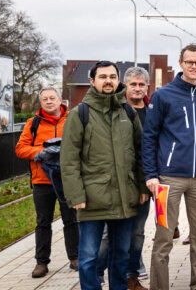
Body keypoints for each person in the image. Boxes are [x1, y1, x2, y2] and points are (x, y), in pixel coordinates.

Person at [143, 45, 196, 290]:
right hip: (166, 179)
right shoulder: (163, 95)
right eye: (189, 62)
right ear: (181, 63)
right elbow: (149, 136)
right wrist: (151, 174)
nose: (194, 66)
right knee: (163, 238)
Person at [61, 61, 148, 290]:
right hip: (91, 199)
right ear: (92, 81)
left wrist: (142, 188)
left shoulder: (128, 112)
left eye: (112, 76)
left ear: (119, 80)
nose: (108, 81)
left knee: (121, 254)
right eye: (103, 77)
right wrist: (75, 195)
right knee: (89, 256)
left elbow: (140, 153)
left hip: (125, 197)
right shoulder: (80, 114)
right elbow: (68, 160)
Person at [15, 86, 78, 278]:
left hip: (68, 179)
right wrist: (40, 153)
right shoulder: (32, 123)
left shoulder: (73, 120)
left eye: (52, 98)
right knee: (43, 222)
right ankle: (41, 262)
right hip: (42, 180)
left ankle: (75, 258)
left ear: (61, 100)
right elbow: (20, 148)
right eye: (45, 99)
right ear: (41, 102)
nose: (49, 101)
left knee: (71, 220)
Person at [123, 67, 152, 289]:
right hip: (120, 182)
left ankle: (132, 272)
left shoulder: (152, 111)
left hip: (146, 181)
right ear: (125, 85)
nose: (138, 88)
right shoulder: (118, 110)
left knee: (138, 231)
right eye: (133, 84)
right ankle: (117, 272)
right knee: (114, 232)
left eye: (141, 85)